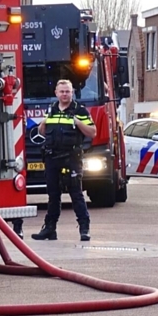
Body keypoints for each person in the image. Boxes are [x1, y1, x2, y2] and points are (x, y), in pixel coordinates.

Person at [31, 79, 97, 242]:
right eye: (62, 91)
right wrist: (43, 124)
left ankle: (84, 228)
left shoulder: (80, 110)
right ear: (56, 93)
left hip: (71, 158)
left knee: (76, 194)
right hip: (52, 157)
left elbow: (92, 132)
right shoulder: (51, 109)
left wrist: (77, 122)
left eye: (67, 91)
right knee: (53, 195)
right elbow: (42, 131)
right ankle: (50, 229)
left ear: (72, 92)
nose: (64, 94)